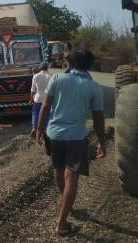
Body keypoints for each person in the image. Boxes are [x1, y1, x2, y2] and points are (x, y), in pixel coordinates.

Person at [36, 50, 105, 236]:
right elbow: (98, 119)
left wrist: (40, 128)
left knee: (58, 170)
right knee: (71, 177)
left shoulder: (57, 78)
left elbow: (45, 106)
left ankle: (67, 205)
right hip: (76, 137)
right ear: (88, 65)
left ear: (71, 63)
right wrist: (102, 142)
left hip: (54, 135)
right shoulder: (94, 87)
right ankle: (62, 224)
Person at [29, 62, 51, 138]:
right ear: (47, 68)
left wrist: (31, 99)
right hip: (47, 99)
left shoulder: (36, 76)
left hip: (37, 99)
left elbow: (32, 89)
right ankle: (44, 130)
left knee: (36, 113)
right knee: (46, 115)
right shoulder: (50, 76)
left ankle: (35, 127)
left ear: (40, 68)